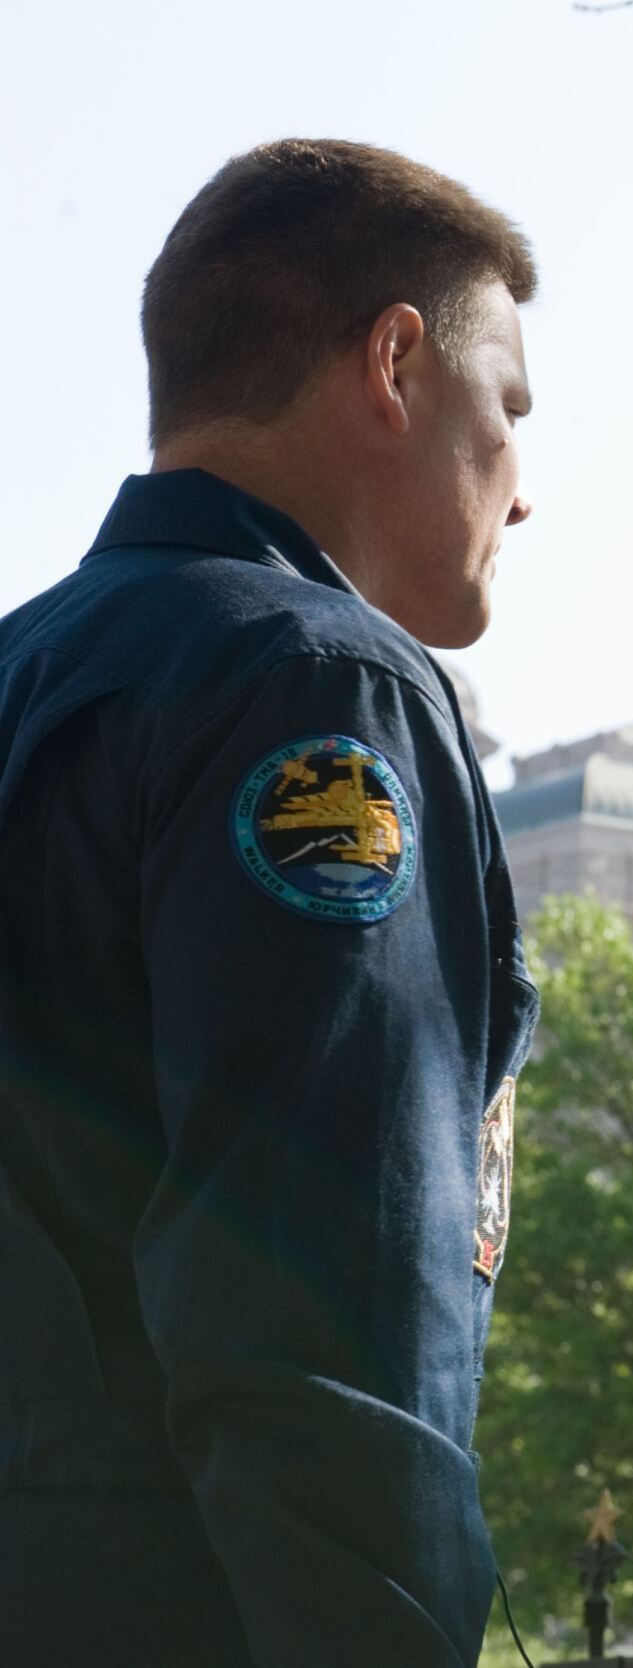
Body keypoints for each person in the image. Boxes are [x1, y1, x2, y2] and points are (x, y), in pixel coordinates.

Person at [0, 141, 538, 1667]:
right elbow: (318, 1293)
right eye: (508, 404)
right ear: (395, 360)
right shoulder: (314, 682)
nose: (524, 482)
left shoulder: (29, 671)